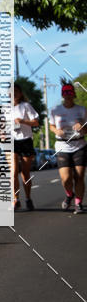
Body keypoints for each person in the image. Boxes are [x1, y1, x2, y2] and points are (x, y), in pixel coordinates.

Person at [49, 82, 86, 214]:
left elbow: (86, 129)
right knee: (66, 179)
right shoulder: (55, 110)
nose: (68, 95)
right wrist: (56, 131)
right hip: (62, 146)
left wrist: (82, 127)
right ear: (62, 95)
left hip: (79, 145)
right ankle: (69, 194)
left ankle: (78, 203)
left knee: (79, 176)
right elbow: (51, 126)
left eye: (70, 93)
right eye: (65, 93)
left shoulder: (81, 110)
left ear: (74, 94)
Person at [12, 83, 40, 211]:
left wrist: (23, 121)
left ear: (20, 93)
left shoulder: (26, 106)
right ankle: (15, 199)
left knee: (25, 173)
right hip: (11, 141)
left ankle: (28, 198)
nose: (14, 94)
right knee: (13, 172)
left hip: (25, 140)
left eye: (16, 91)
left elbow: (36, 122)